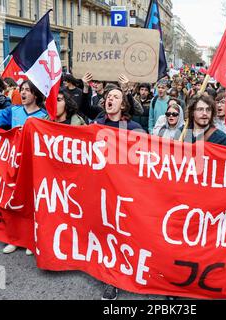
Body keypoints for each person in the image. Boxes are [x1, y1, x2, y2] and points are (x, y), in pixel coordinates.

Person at [0, 79, 48, 255]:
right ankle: (14, 238)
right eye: (21, 90)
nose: (23, 93)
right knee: (13, 202)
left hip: (34, 167)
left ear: (35, 94)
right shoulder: (13, 110)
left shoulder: (44, 116)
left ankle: (30, 240)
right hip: (14, 165)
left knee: (31, 204)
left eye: (27, 90)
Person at [98, 86, 142, 301]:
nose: (110, 99)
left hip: (125, 190)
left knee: (121, 233)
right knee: (105, 232)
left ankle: (116, 277)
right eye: (108, 97)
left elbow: (144, 159)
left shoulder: (133, 128)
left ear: (123, 104)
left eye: (116, 97)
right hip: (101, 188)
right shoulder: (96, 125)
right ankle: (109, 275)